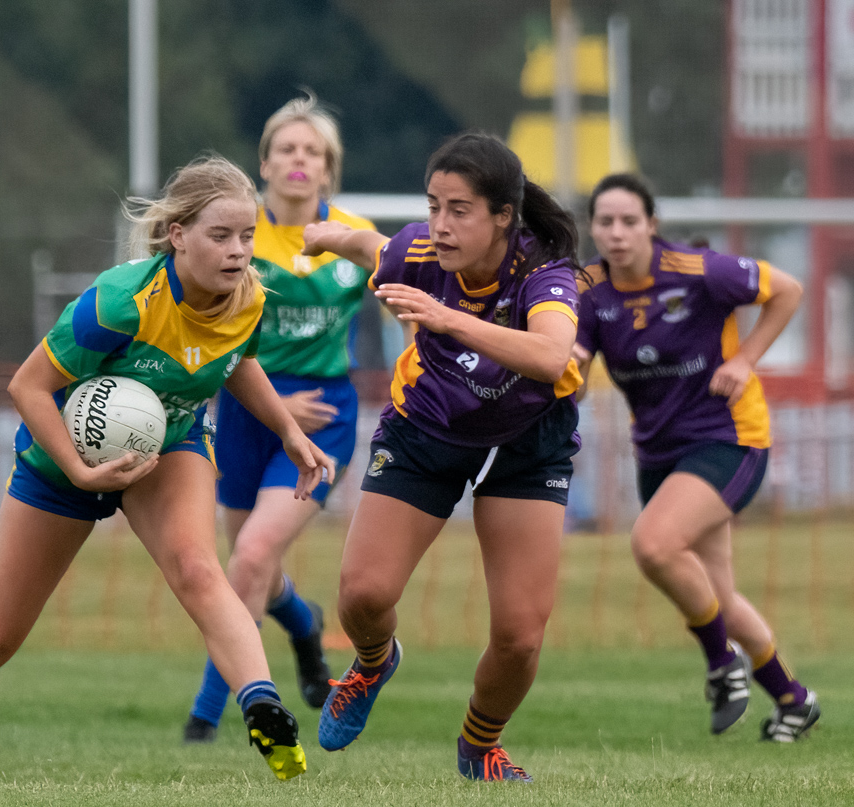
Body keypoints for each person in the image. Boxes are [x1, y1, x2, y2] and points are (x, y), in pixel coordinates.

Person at [0, 156, 336, 784]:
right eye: (220, 236)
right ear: (178, 234)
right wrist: (80, 470)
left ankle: (262, 705)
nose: (238, 251)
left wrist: (287, 429)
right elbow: (28, 387)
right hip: (60, 464)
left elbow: (235, 361)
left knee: (199, 570)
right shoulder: (121, 302)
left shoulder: (248, 295)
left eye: (248, 235)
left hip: (168, 448)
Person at [301, 132, 586, 782]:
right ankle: (373, 660)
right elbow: (371, 246)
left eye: (459, 209)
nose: (441, 224)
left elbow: (549, 356)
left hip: (528, 440)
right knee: (363, 595)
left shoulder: (545, 272)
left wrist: (447, 317)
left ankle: (479, 742)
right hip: (427, 424)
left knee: (519, 637)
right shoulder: (419, 250)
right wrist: (320, 236)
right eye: (434, 206)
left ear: (503, 216)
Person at [573, 172, 818, 741]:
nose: (616, 233)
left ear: (652, 226)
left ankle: (721, 665)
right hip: (658, 452)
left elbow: (789, 291)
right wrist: (557, 379)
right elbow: (575, 370)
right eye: (605, 221)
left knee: (653, 545)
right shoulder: (588, 288)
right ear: (593, 227)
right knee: (717, 596)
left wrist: (746, 360)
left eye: (629, 221)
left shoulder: (700, 270)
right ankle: (793, 699)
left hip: (728, 438)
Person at [182, 94, 376, 743]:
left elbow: (415, 309)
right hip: (241, 406)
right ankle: (302, 623)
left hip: (322, 413)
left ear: (328, 170)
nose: (299, 159)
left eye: (312, 152)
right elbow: (205, 330)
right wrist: (263, 399)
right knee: (251, 564)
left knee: (254, 553)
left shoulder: (355, 235)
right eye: (286, 149)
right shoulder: (236, 234)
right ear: (263, 165)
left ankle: (207, 717)